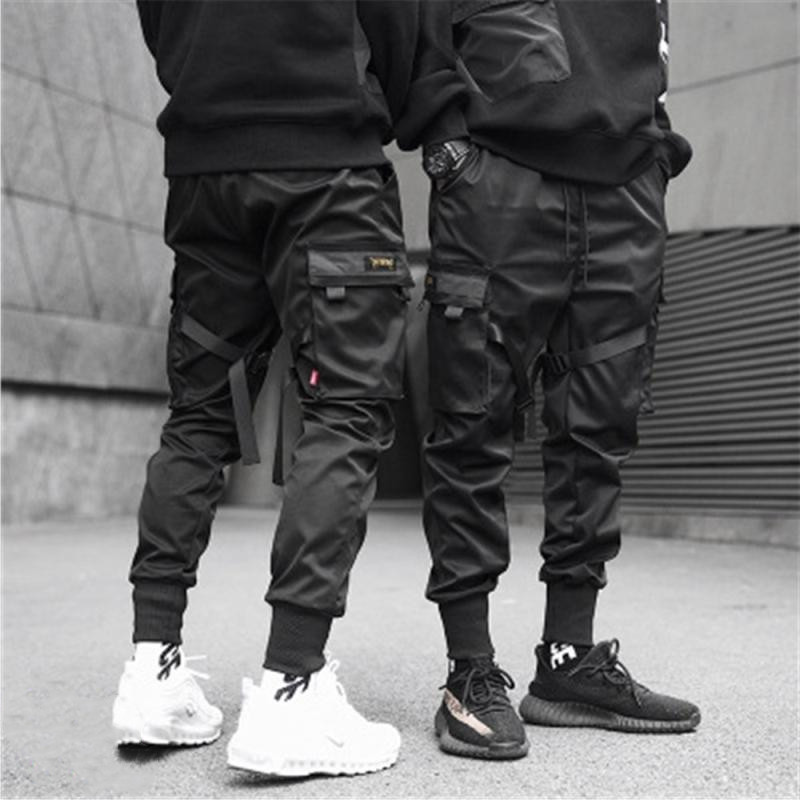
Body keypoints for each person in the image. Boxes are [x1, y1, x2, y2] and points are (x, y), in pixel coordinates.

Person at [112, 0, 466, 778]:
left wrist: (210, 82)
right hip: (325, 166)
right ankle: (291, 685)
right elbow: (401, 19)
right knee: (345, 411)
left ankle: (151, 670)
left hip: (204, 172)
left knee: (199, 416)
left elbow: (159, 20)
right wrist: (419, 105)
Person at [419, 0, 701, 759]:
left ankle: (569, 661)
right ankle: (470, 669)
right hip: (497, 172)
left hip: (625, 181)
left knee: (600, 428)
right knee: (472, 419)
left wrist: (653, 148)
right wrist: (443, 133)